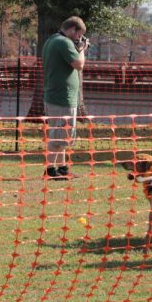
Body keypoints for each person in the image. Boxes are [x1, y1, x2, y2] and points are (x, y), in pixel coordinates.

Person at [42, 16, 88, 180]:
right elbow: (79, 64)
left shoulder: (52, 40)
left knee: (63, 135)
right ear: (72, 29)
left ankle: (61, 168)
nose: (79, 39)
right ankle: (50, 170)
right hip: (61, 98)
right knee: (58, 136)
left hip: (57, 96)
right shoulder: (64, 42)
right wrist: (81, 48)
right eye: (79, 35)